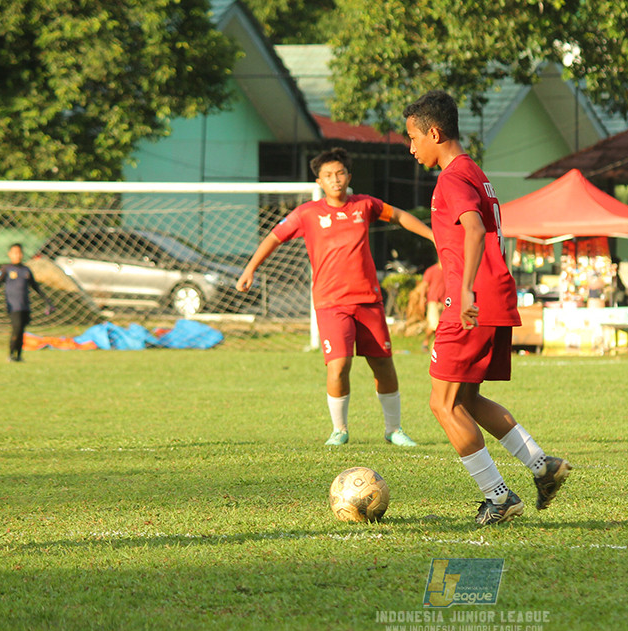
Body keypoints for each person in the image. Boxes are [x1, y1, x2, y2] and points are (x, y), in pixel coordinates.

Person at [404, 90, 572, 526]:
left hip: (471, 301)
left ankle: (499, 497)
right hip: (495, 296)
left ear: (434, 134)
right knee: (466, 398)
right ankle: (542, 466)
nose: (411, 148)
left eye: (413, 138)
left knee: (442, 404)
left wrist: (463, 292)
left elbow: (475, 230)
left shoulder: (452, 178)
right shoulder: (475, 172)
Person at [236, 147, 434, 447]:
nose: (335, 179)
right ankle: (339, 430)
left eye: (340, 173)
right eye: (328, 175)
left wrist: (432, 235)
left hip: (368, 300)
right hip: (331, 303)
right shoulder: (307, 213)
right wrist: (250, 268)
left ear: (349, 177)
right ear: (319, 181)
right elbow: (275, 237)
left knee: (382, 364)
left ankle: (393, 429)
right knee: (339, 365)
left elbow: (399, 216)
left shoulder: (364, 205)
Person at [0, 243, 54, 362]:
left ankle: (19, 356)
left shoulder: (26, 270)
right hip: (13, 306)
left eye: (19, 252)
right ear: (10, 254)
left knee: (21, 331)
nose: (17, 255)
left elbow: (35, 287)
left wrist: (47, 301)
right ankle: (11, 355)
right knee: (16, 329)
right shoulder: (6, 269)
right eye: (15, 253)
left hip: (25, 305)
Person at [420, 259, 445, 350]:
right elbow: (424, 286)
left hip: (445, 302)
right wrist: (422, 299)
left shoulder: (448, 271)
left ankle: (435, 345)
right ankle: (426, 342)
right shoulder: (431, 270)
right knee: (434, 325)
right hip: (434, 301)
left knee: (441, 326)